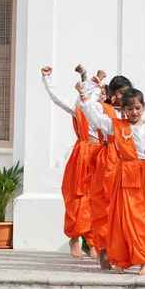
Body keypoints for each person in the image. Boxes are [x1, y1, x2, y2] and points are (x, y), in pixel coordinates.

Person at [79, 86, 145, 275]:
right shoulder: (117, 126)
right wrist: (84, 96)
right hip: (125, 174)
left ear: (143, 107)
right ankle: (121, 259)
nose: (134, 112)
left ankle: (144, 260)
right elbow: (95, 119)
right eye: (130, 109)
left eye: (137, 108)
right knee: (122, 219)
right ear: (124, 110)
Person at [40, 65, 101, 258]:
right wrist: (48, 79)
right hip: (83, 155)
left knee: (96, 199)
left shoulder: (103, 109)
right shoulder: (79, 109)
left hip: (100, 156)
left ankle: (92, 241)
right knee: (78, 197)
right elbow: (57, 98)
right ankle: (75, 237)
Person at [86, 74, 134, 268]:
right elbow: (89, 110)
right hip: (109, 160)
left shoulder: (133, 111)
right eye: (120, 93)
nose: (124, 96)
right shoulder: (103, 109)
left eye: (127, 92)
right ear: (113, 93)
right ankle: (104, 249)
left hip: (129, 162)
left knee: (126, 208)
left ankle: (122, 251)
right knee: (104, 206)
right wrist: (93, 89)